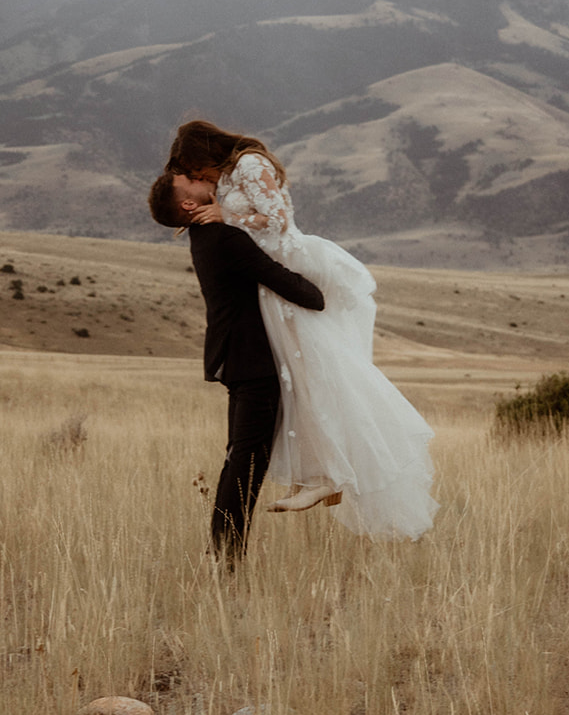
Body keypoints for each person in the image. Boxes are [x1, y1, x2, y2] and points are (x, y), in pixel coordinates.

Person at [163, 119, 438, 541]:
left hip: (290, 259)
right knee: (300, 375)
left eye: (193, 169)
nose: (198, 178)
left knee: (310, 370)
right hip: (266, 283)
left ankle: (327, 471)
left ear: (204, 154)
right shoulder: (226, 188)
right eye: (191, 176)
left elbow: (277, 219)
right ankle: (320, 472)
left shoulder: (249, 165)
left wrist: (227, 215)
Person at [147, 170, 326, 563]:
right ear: (188, 205)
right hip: (253, 360)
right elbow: (290, 286)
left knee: (239, 459)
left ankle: (223, 554)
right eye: (187, 180)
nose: (195, 177)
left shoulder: (205, 236)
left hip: (238, 357)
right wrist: (323, 289)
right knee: (246, 463)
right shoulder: (224, 238)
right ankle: (226, 557)